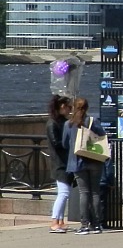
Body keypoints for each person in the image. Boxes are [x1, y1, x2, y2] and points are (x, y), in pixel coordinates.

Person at [62, 97, 107, 234]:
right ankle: (97, 224)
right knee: (95, 192)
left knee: (84, 192)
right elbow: (103, 136)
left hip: (77, 161)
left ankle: (84, 224)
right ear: (87, 108)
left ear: (74, 108)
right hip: (94, 160)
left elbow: (64, 144)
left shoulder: (69, 124)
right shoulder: (93, 121)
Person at [45, 95, 73, 233]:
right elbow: (56, 143)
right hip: (59, 162)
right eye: (69, 107)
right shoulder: (53, 123)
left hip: (65, 161)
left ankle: (61, 221)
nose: (70, 110)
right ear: (62, 107)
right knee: (63, 193)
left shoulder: (62, 121)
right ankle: (54, 221)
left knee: (63, 192)